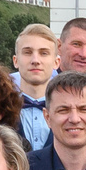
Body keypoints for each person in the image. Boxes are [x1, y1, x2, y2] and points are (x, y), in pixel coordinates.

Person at [10, 23, 59, 151]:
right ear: (15, 61)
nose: (35, 60)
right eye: (27, 52)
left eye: (44, 53)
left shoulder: (68, 112)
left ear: (56, 62)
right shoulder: (0, 109)